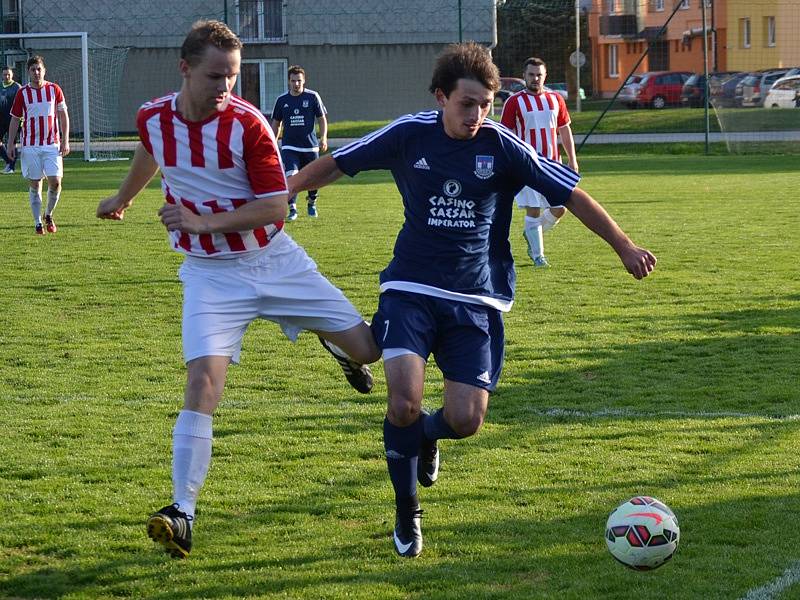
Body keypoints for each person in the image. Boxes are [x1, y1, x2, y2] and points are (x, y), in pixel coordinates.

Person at [289, 42, 656, 558]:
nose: (478, 115)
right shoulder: (409, 133)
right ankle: (407, 510)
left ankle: (427, 435)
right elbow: (338, 162)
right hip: (411, 288)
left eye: (485, 105)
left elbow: (571, 194)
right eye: (467, 104)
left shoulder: (501, 144)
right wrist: (287, 188)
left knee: (466, 419)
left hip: (475, 298)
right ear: (441, 96)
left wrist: (624, 246)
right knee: (404, 401)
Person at [96, 20, 380, 559]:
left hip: (273, 261)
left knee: (370, 348)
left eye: (233, 75)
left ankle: (336, 345)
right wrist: (123, 196)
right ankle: (182, 511)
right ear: (184, 68)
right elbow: (150, 151)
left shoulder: (248, 124)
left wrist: (201, 222)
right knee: (203, 381)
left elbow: (276, 206)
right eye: (216, 75)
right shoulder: (153, 117)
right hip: (209, 277)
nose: (227, 86)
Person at [500, 57, 578, 268]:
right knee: (533, 209)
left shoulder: (556, 99)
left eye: (539, 75)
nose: (535, 78)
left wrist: (572, 159)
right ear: (524, 76)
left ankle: (532, 233)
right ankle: (538, 256)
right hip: (527, 165)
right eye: (531, 74)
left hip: (553, 165)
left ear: (545, 76)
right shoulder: (514, 101)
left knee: (560, 208)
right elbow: (505, 135)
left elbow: (564, 130)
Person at [7, 56, 70, 235]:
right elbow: (15, 119)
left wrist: (65, 140)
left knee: (56, 182)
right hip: (30, 146)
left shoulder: (54, 89)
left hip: (52, 144)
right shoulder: (22, 93)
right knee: (35, 184)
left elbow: (63, 115)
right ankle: (37, 223)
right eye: (33, 70)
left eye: (39, 69)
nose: (36, 73)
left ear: (44, 70)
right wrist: (11, 143)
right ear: (28, 72)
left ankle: (48, 214)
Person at [270, 65, 328, 221]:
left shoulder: (312, 97)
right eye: (293, 81)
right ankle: (293, 209)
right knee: (291, 176)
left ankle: (311, 203)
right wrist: (272, 143)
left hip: (310, 146)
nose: (296, 84)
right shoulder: (282, 100)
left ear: (304, 80)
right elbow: (276, 123)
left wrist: (323, 137)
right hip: (290, 146)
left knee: (314, 178)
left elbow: (322, 118)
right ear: (289, 81)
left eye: (299, 81)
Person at [0, 66, 21, 174]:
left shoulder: (17, 87)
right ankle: (9, 162)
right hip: (1, 119)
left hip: (13, 119)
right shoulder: (0, 86)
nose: (7, 76)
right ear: (2, 75)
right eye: (4, 74)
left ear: (12, 75)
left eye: (8, 74)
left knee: (12, 143)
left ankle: (12, 167)